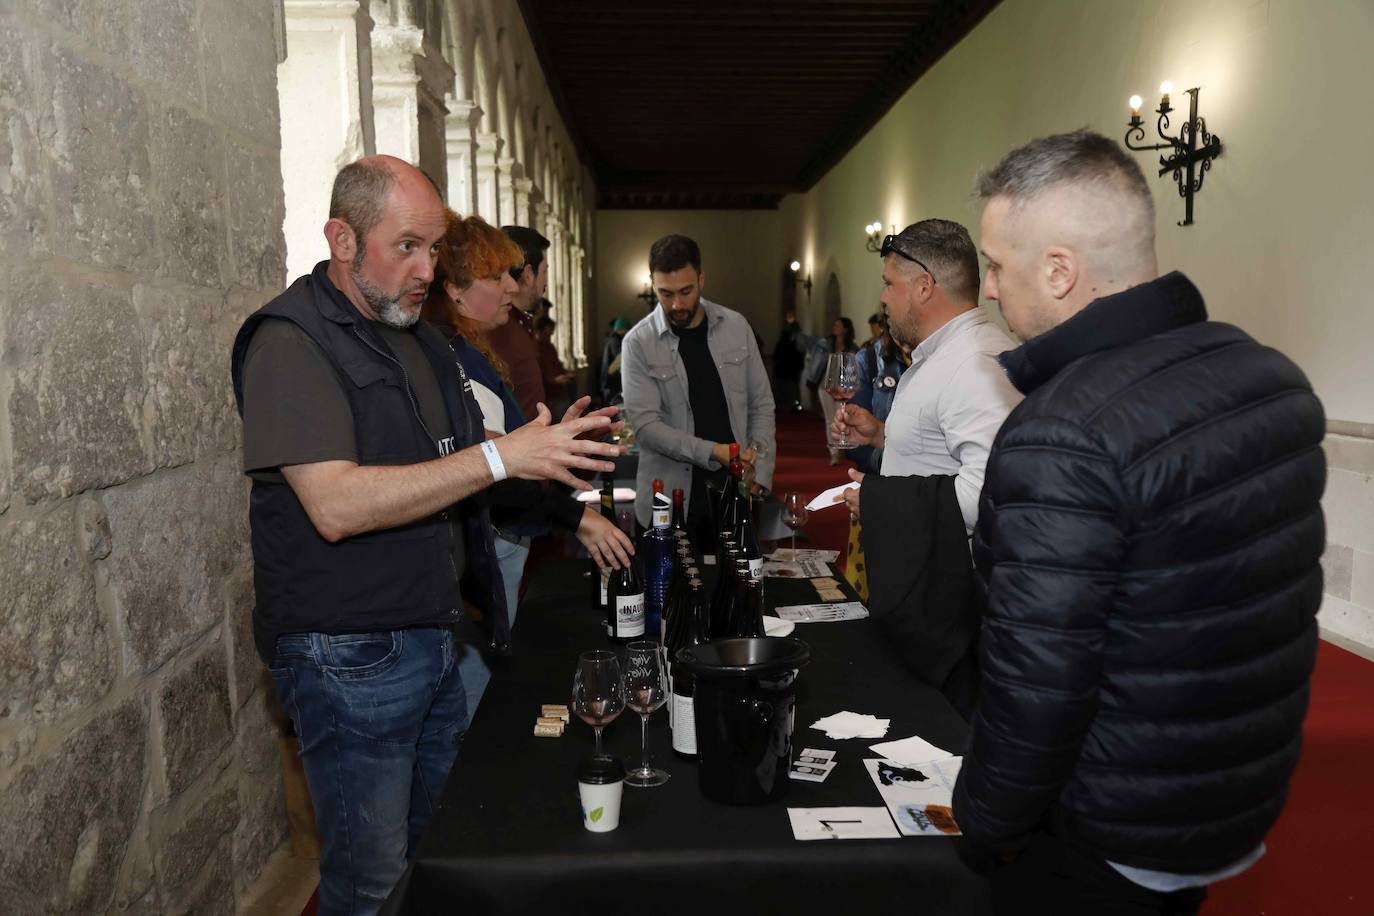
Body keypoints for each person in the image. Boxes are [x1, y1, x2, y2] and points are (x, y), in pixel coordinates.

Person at [230, 155, 621, 916]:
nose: (426, 269)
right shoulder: (291, 341)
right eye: (405, 245)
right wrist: (499, 456)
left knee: (442, 856)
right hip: (349, 654)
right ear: (342, 239)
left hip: (434, 631)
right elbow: (336, 504)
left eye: (434, 248)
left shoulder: (415, 335)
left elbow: (468, 464)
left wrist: (541, 452)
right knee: (371, 884)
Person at [951, 130, 1325, 915]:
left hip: (1108, 825)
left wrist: (984, 825)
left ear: (1058, 271)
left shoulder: (1062, 432)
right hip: (1225, 795)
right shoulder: (1270, 376)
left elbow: (1038, 683)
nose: (986, 288)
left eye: (994, 264)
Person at [420, 212, 631, 718]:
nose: (511, 288)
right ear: (455, 291)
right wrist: (573, 512)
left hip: (500, 531)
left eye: (511, 275)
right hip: (488, 537)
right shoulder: (455, 358)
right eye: (496, 278)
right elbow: (493, 466)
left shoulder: (469, 349)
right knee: (477, 693)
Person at [833, 219, 1021, 712]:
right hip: (925, 578)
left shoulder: (975, 363)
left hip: (952, 599)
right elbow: (947, 446)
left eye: (889, 284)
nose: (884, 299)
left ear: (923, 286)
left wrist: (876, 504)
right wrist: (883, 434)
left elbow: (992, 492)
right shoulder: (946, 353)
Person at [621, 233, 776, 543]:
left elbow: (761, 405)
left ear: (702, 279)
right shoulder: (637, 343)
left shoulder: (736, 327)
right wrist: (713, 452)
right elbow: (647, 427)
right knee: (664, 591)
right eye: (665, 293)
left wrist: (759, 468)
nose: (677, 304)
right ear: (652, 284)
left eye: (685, 291)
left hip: (732, 492)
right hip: (667, 497)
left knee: (735, 587)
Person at [485, 225, 549, 420]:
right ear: (528, 274)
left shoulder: (519, 326)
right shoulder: (500, 330)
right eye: (545, 272)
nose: (546, 283)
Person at [819, 316, 858, 465]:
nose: (835, 327)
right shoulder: (827, 344)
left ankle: (843, 446)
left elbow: (853, 370)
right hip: (826, 385)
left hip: (843, 387)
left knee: (841, 417)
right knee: (829, 419)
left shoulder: (852, 348)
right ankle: (834, 452)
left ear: (845, 329)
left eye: (838, 325)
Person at [534, 315, 575, 417]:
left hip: (560, 392)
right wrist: (554, 380)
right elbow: (537, 374)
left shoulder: (550, 347)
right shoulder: (533, 350)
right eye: (546, 334)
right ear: (537, 332)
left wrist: (566, 373)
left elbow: (557, 365)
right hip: (548, 396)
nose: (549, 338)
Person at [772, 309, 806, 412]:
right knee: (785, 384)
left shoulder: (796, 332)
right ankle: (788, 403)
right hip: (786, 362)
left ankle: (793, 404)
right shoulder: (787, 332)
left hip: (792, 363)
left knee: (792, 385)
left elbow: (800, 348)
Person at [600, 317, 629, 405]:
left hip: (610, 381)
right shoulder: (615, 341)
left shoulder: (613, 340)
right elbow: (621, 358)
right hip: (611, 382)